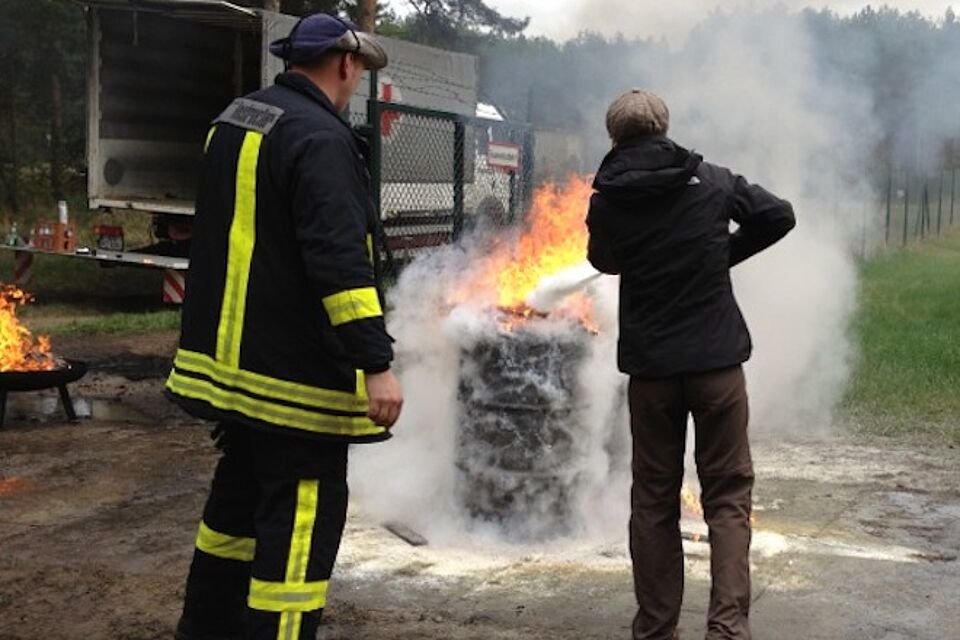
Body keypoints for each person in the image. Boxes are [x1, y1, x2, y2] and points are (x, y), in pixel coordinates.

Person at [166, 14, 403, 640]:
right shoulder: (320, 139)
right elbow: (339, 262)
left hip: (231, 373)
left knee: (234, 515)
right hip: (293, 383)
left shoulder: (236, 119)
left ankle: (205, 629)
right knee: (298, 534)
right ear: (344, 64)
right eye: (358, 73)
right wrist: (375, 363)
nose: (356, 85)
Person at [586, 90, 795, 640]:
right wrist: (721, 252)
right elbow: (778, 215)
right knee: (726, 497)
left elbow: (603, 260)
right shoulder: (710, 178)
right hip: (717, 367)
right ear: (663, 126)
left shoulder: (608, 198)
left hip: (653, 373)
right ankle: (726, 629)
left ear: (615, 137)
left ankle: (656, 630)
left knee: (653, 500)